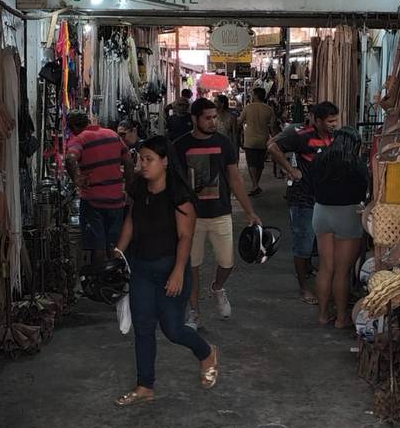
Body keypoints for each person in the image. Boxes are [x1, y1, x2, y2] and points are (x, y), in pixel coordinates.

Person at [113, 136, 219, 406]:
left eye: (148, 159)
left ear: (165, 162)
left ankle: (206, 352)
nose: (142, 165)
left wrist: (178, 271)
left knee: (172, 329)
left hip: (169, 269)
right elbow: (130, 223)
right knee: (143, 328)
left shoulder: (179, 196)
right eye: (140, 159)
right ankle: (144, 385)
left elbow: (186, 237)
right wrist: (118, 253)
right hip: (141, 268)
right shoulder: (138, 188)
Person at [175, 98, 261, 329]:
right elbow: (176, 183)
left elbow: (234, 178)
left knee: (227, 262)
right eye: (208, 118)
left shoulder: (224, 143)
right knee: (191, 266)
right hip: (191, 217)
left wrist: (249, 211)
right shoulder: (180, 146)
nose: (213, 122)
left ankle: (217, 287)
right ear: (195, 119)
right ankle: (194, 312)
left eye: (215, 117)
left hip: (221, 212)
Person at [267, 102, 339, 305]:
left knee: (315, 242)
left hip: (323, 198)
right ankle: (304, 288)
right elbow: (272, 146)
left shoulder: (333, 137)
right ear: (317, 120)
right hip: (302, 198)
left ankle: (309, 271)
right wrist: (291, 170)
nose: (334, 124)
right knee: (303, 244)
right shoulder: (300, 135)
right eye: (330, 121)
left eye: (335, 120)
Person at [311, 126, 368, 328]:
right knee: (342, 271)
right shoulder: (357, 165)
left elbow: (311, 185)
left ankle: (322, 315)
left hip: (321, 213)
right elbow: (364, 192)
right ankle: (342, 318)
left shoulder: (320, 159)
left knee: (326, 267)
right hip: (347, 214)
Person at [65, 110, 134, 264]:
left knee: (98, 246)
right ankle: (115, 279)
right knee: (114, 244)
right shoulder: (112, 134)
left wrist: (76, 178)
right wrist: (128, 189)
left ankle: (99, 281)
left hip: (93, 201)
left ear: (75, 127)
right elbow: (129, 162)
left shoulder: (80, 139)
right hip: (116, 200)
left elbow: (70, 158)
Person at [238, 87, 278, 196]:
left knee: (251, 163)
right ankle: (255, 185)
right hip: (263, 140)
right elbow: (273, 127)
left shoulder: (248, 108)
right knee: (260, 164)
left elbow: (239, 122)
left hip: (250, 139)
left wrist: (239, 134)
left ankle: (255, 185)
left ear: (255, 95)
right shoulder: (269, 109)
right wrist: (274, 140)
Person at [215, 94, 240, 161]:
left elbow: (235, 136)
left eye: (216, 102)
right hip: (216, 149)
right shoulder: (213, 117)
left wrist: (236, 153)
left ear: (222, 104)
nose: (214, 103)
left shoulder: (231, 118)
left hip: (227, 149)